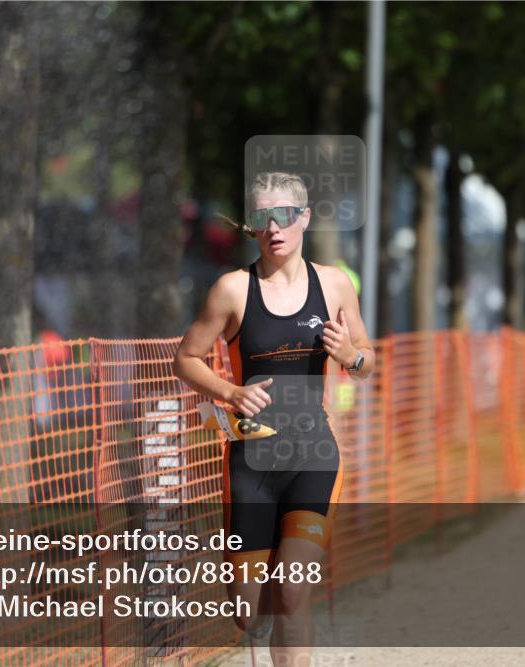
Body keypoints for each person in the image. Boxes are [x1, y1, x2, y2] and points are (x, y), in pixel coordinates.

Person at [173, 172, 375, 666]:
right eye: (263, 217)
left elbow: (370, 362)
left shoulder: (334, 284)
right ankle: (253, 618)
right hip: (252, 459)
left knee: (292, 592)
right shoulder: (232, 290)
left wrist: (350, 356)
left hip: (314, 455)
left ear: (304, 217)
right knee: (248, 612)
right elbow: (185, 358)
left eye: (284, 215)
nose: (274, 227)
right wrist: (230, 392)